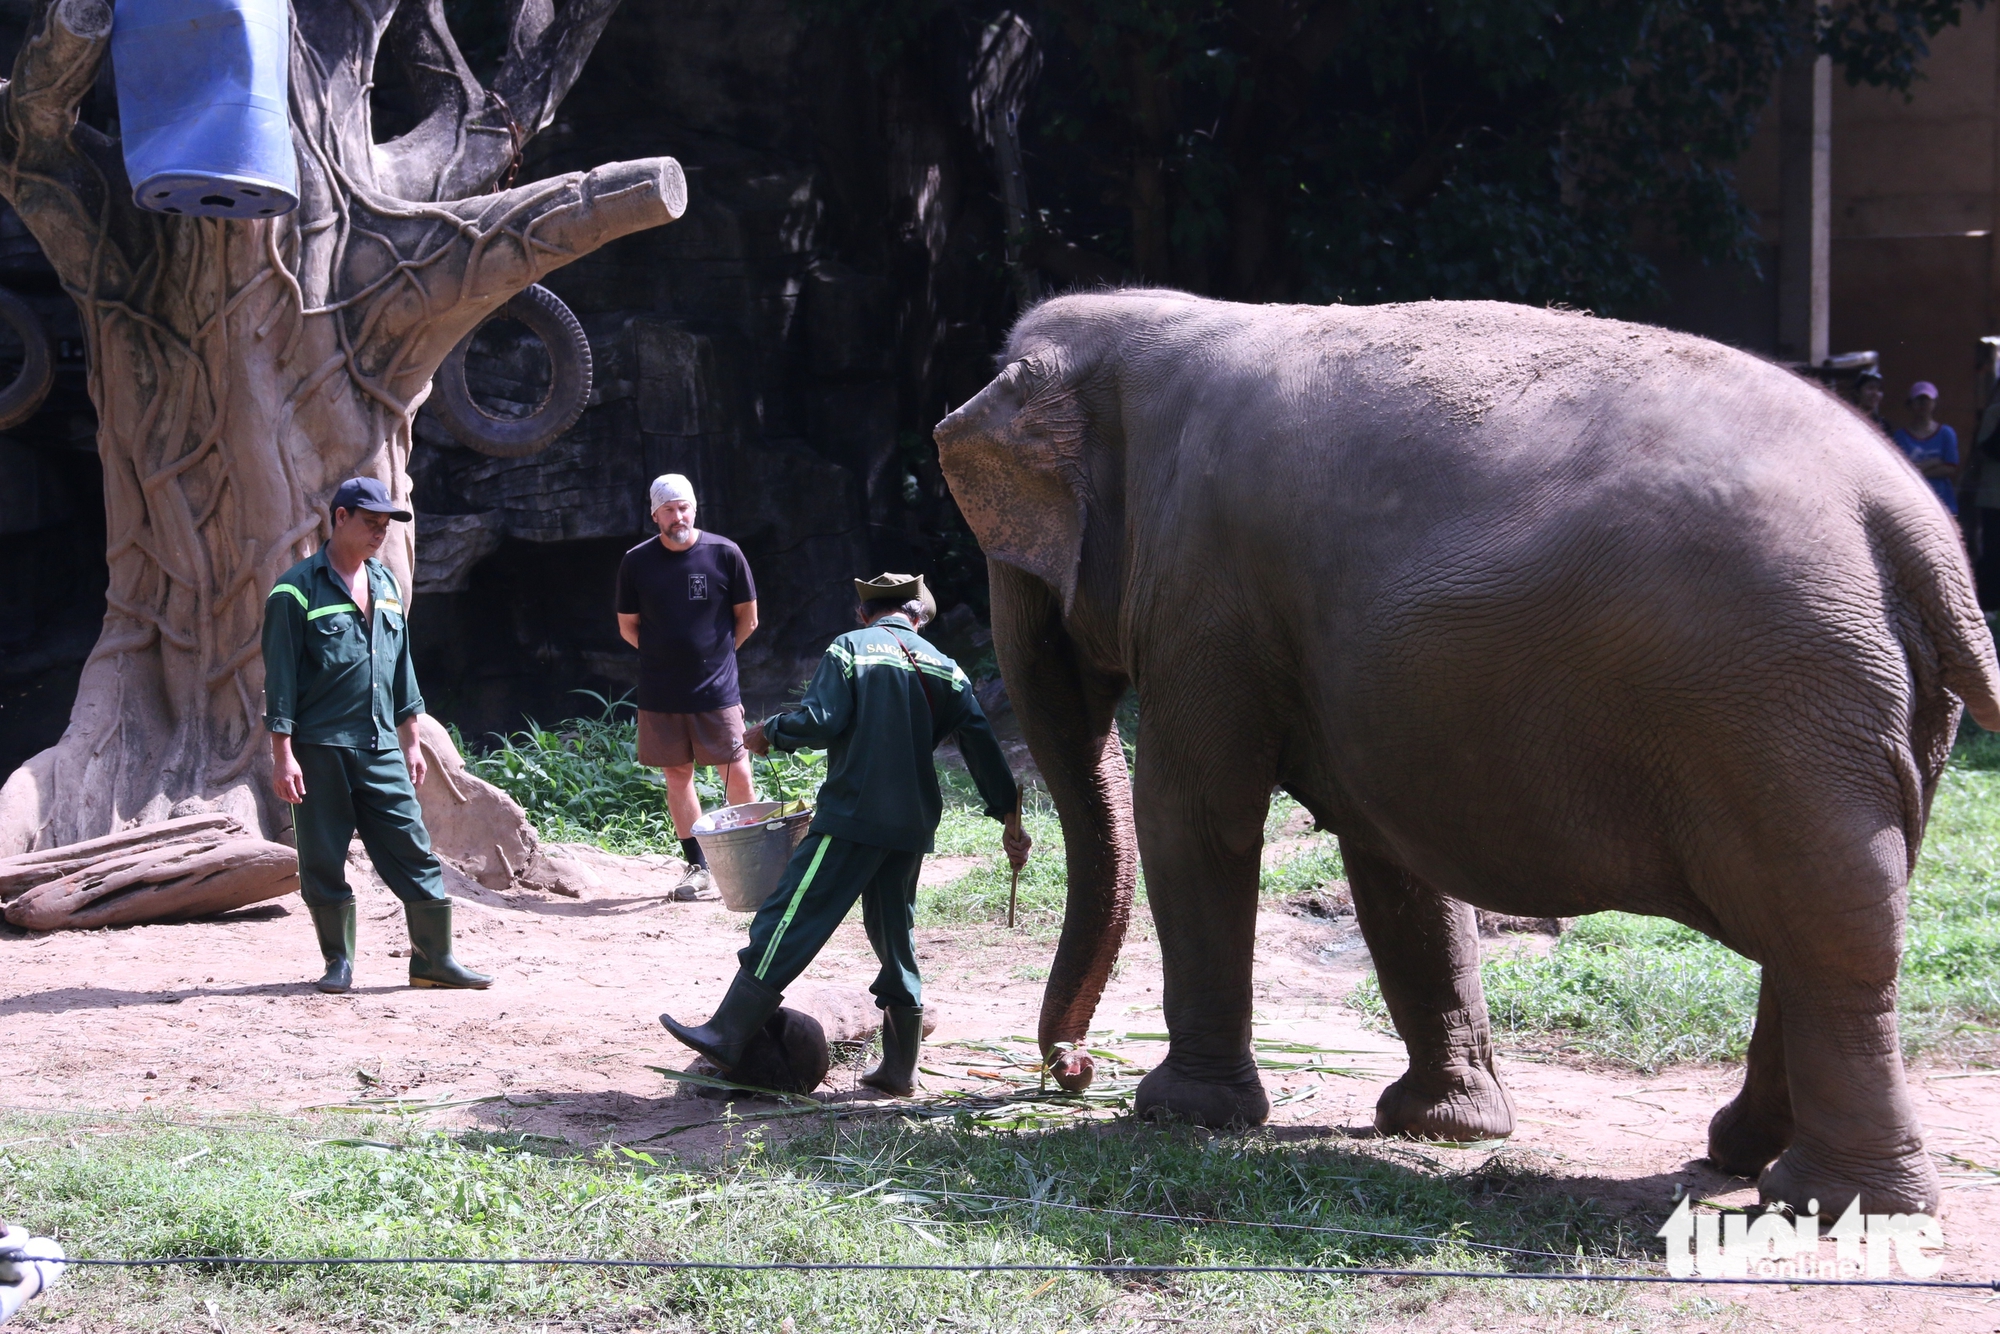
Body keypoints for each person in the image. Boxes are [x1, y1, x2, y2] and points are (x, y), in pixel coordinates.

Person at [660, 573, 1031, 1096]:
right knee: (894, 936)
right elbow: (983, 749)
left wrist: (771, 733)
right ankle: (900, 1070)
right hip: (911, 824)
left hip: (854, 815)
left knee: (790, 915)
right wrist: (1008, 819)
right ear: (919, 617)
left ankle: (727, 1031)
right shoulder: (947, 668)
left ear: (864, 614)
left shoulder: (852, 647)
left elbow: (821, 720)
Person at [262, 477, 490, 994]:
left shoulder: (387, 585)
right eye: (370, 524)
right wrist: (283, 755)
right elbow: (280, 681)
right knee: (322, 855)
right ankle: (337, 962)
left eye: (385, 527)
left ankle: (434, 960)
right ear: (339, 518)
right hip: (320, 750)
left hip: (382, 746)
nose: (378, 535)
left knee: (413, 847)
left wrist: (411, 738)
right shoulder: (294, 590)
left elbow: (401, 668)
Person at [615, 474, 759, 887]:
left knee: (736, 770)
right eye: (669, 510)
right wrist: (665, 657)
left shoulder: (724, 553)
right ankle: (699, 866)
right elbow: (628, 627)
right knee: (677, 775)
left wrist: (715, 659)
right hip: (661, 692)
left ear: (694, 509)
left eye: (684, 508)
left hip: (717, 689)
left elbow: (747, 620)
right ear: (654, 515)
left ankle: (749, 860)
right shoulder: (636, 561)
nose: (678, 517)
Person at [1891, 381, 1960, 515]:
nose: (1923, 404)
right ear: (1910, 404)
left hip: (1942, 503)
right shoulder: (1900, 436)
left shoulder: (1946, 433)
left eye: (1927, 399)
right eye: (1918, 399)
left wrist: (1917, 472)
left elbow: (1950, 467)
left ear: (1935, 403)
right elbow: (1901, 470)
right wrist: (1934, 462)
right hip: (1912, 504)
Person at [1855, 367, 1889, 434]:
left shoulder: (1884, 426)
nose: (1875, 393)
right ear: (1857, 392)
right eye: (1870, 388)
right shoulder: (1848, 419)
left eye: (1879, 389)